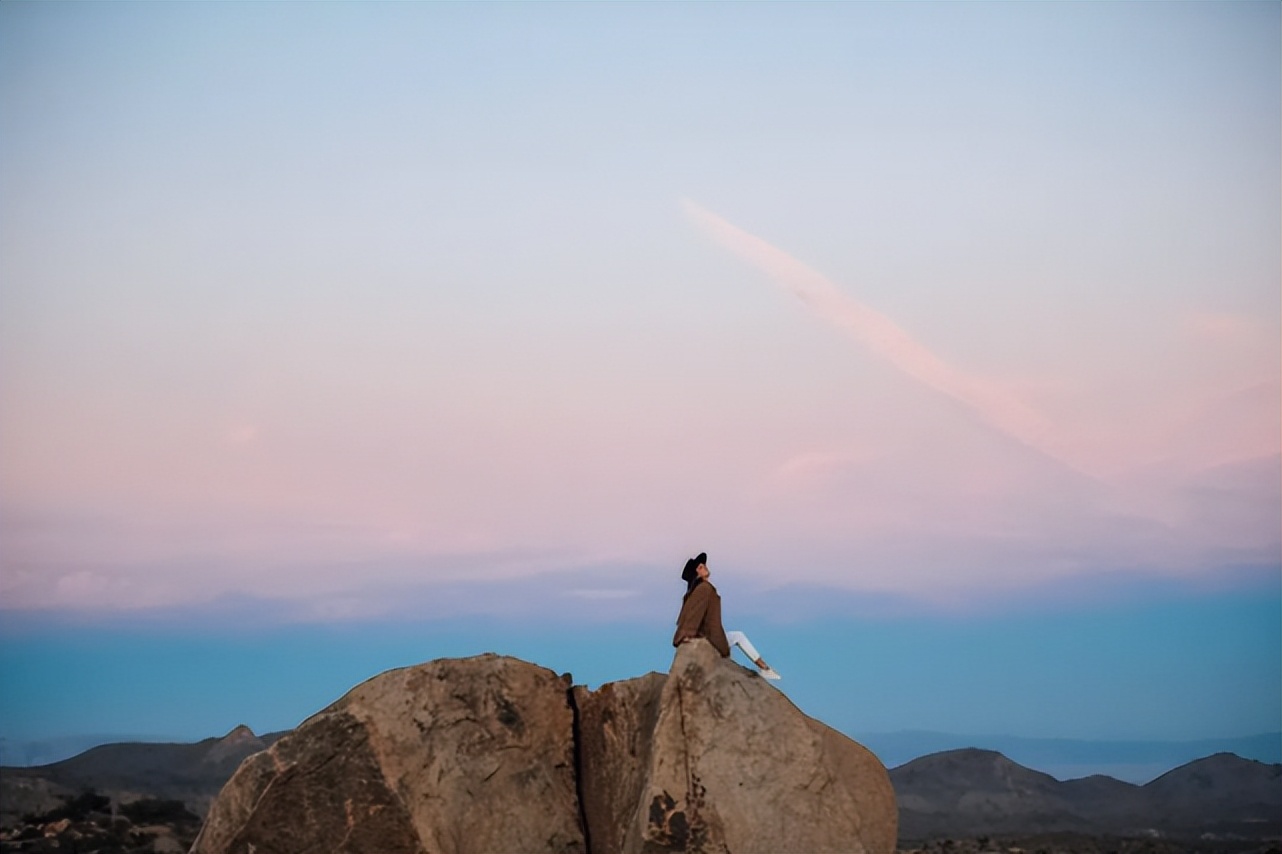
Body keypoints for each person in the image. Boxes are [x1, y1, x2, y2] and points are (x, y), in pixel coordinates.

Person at [672, 552, 781, 680]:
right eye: (700, 567)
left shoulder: (700, 590)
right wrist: (686, 635)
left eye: (703, 565)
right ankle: (765, 668)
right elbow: (693, 615)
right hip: (708, 638)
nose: (705, 567)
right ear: (697, 574)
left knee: (737, 637)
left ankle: (764, 668)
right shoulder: (704, 589)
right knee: (737, 638)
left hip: (707, 636)